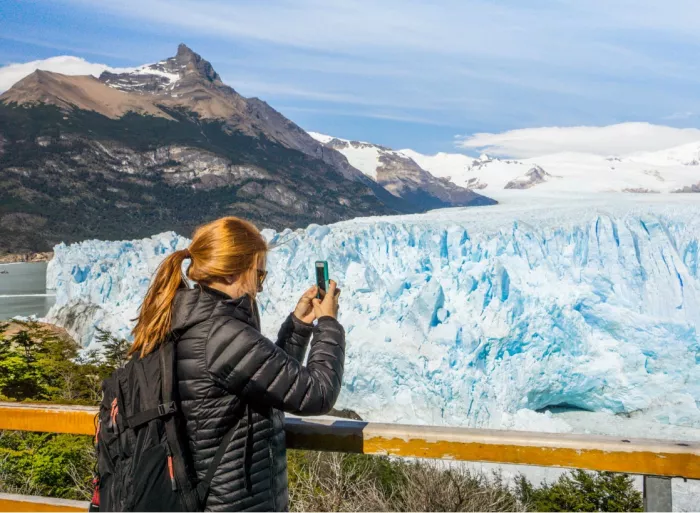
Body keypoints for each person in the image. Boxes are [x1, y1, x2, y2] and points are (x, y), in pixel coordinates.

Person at [128, 216, 345, 512]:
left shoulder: (190, 319)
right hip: (232, 504)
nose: (260, 287)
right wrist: (328, 323)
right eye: (258, 275)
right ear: (232, 273)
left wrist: (299, 326)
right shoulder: (222, 334)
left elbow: (265, 382)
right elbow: (317, 393)